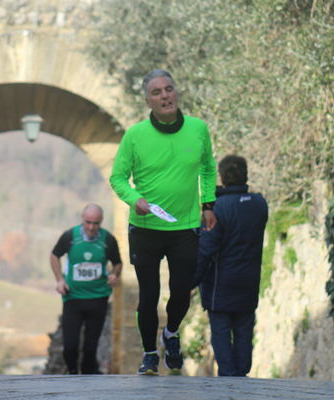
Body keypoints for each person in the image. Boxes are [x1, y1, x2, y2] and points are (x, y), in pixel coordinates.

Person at [110, 69, 217, 375]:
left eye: (168, 89)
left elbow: (208, 168)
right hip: (145, 229)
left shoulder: (198, 129)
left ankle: (170, 333)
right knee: (149, 294)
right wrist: (134, 200)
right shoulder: (135, 135)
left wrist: (208, 203)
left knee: (182, 291)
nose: (165, 96)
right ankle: (148, 354)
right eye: (156, 92)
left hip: (185, 227)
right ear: (148, 101)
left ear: (176, 92)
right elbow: (117, 177)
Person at [194, 155, 268, 377]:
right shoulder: (259, 204)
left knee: (221, 332)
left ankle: (228, 378)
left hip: (221, 283)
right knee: (244, 331)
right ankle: (242, 375)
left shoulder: (217, 209)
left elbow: (206, 249)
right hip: (249, 281)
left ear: (223, 177)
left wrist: (190, 280)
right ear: (245, 175)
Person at [50, 203, 122, 375]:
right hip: (73, 298)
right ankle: (73, 372)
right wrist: (60, 280)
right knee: (70, 347)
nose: (91, 227)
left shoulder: (108, 240)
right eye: (88, 222)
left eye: (96, 223)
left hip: (98, 298)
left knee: (90, 349)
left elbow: (117, 263)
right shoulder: (70, 236)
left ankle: (88, 384)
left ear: (101, 222)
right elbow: (54, 256)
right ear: (82, 219)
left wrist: (114, 275)